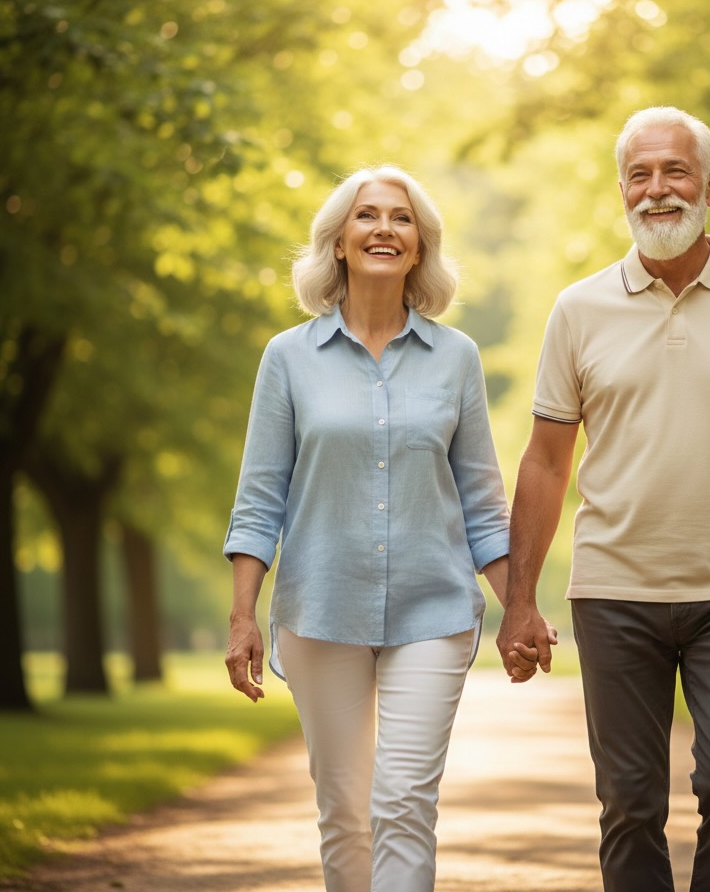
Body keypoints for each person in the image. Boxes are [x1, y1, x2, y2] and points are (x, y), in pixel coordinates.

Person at [496, 106, 710, 892]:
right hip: (614, 591)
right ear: (622, 191)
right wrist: (520, 601)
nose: (658, 191)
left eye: (676, 172)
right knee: (628, 803)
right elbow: (546, 463)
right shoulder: (578, 309)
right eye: (641, 176)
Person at [223, 164, 543, 892]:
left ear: (419, 247)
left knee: (402, 802)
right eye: (367, 216)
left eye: (402, 219)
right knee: (344, 810)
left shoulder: (456, 357)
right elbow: (259, 496)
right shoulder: (288, 357)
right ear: (338, 241)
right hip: (320, 610)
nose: (384, 229)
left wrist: (518, 604)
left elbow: (483, 503)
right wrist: (243, 614)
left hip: (432, 612)